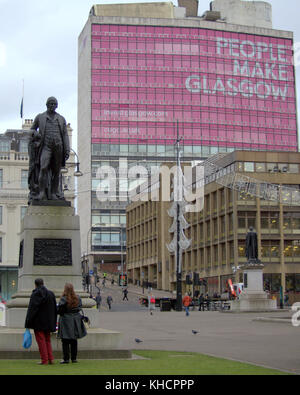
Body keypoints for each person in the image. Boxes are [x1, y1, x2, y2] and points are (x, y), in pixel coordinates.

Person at [28, 97, 70, 202]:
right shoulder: (40, 117)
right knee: (43, 167)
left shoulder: (61, 119)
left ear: (57, 106)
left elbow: (65, 135)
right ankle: (42, 193)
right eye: (50, 104)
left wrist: (67, 149)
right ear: (47, 105)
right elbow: (32, 129)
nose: (52, 106)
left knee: (56, 171)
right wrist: (36, 133)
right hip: (46, 146)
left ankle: (54, 193)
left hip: (58, 146)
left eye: (54, 104)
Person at [25, 278, 57, 365]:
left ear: (35, 284)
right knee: (47, 340)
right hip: (48, 321)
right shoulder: (51, 294)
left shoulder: (35, 294)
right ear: (43, 283)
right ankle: (50, 358)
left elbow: (32, 309)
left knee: (41, 341)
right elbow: (54, 309)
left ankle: (44, 360)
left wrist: (28, 322)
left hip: (38, 322)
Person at [57, 283, 87, 364]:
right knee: (74, 340)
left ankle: (66, 359)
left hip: (66, 319)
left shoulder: (63, 299)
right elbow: (79, 307)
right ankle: (74, 358)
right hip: (75, 319)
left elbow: (60, 311)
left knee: (65, 340)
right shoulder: (77, 298)